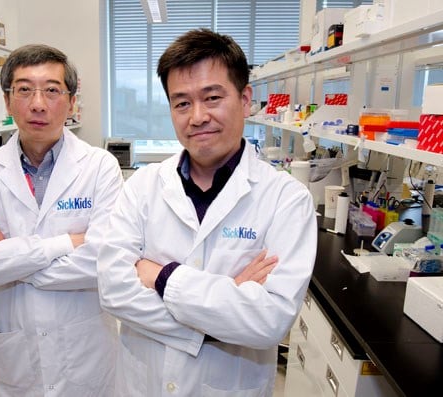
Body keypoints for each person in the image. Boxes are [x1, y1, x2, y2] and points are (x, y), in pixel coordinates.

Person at [97, 28, 317, 397]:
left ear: (245, 99)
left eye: (212, 97)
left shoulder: (286, 199)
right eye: (181, 103)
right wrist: (228, 300)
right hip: (143, 383)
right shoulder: (141, 186)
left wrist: (162, 277)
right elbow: (113, 290)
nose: (197, 117)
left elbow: (269, 322)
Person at [0, 44, 122, 396]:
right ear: (8, 101)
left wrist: (5, 254)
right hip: (17, 356)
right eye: (24, 90)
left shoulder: (100, 167)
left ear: (71, 102)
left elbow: (104, 261)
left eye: (52, 90)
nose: (38, 103)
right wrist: (65, 243)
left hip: (86, 352)